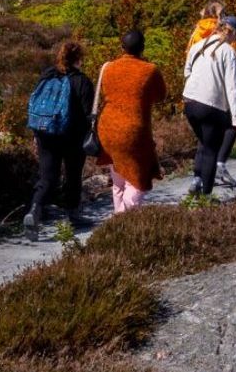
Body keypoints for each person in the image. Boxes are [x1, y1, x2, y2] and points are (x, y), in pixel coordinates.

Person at [24, 40, 93, 238]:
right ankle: (72, 214)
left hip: (45, 133)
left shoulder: (47, 74)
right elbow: (88, 113)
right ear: (79, 59)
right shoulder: (81, 81)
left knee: (47, 177)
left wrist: (35, 134)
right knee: (72, 175)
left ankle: (34, 210)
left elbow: (36, 104)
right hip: (71, 136)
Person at [95, 29, 166, 213]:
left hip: (108, 128)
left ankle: (118, 229)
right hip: (133, 131)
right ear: (143, 48)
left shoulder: (108, 67)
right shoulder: (150, 70)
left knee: (118, 181)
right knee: (138, 181)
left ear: (122, 47)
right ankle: (120, 220)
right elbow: (161, 95)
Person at [182, 18, 236, 195]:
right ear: (232, 33)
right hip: (210, 104)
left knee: (204, 141)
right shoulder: (229, 52)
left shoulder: (197, 46)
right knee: (211, 150)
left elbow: (187, 71)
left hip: (189, 102)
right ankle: (206, 196)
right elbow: (233, 88)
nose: (235, 41)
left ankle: (196, 180)